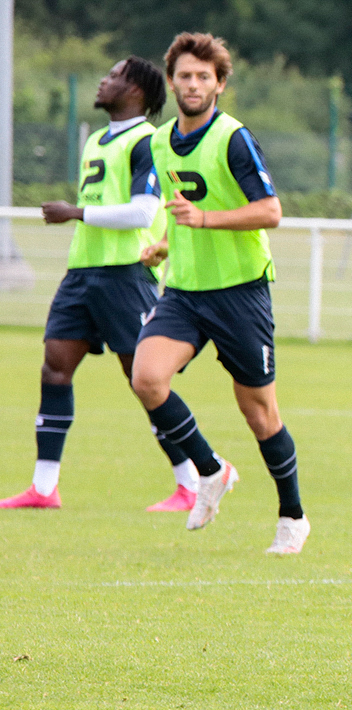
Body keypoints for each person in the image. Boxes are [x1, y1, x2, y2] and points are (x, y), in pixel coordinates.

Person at [129, 32, 309, 555]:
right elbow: (183, 207)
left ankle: (292, 516)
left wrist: (205, 220)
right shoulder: (159, 141)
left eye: (203, 76)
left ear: (220, 84)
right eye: (184, 75)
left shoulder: (234, 138)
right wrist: (166, 243)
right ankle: (211, 470)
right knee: (147, 377)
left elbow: (270, 212)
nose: (192, 84)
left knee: (259, 413)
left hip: (240, 293)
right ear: (171, 81)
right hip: (185, 291)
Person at [1, 57, 202, 512]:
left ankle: (191, 481)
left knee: (144, 379)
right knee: (54, 368)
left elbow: (143, 211)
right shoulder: (96, 138)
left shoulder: (147, 141)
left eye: (113, 76)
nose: (103, 81)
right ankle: (44, 487)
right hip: (83, 272)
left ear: (136, 91)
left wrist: (75, 212)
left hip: (125, 274)